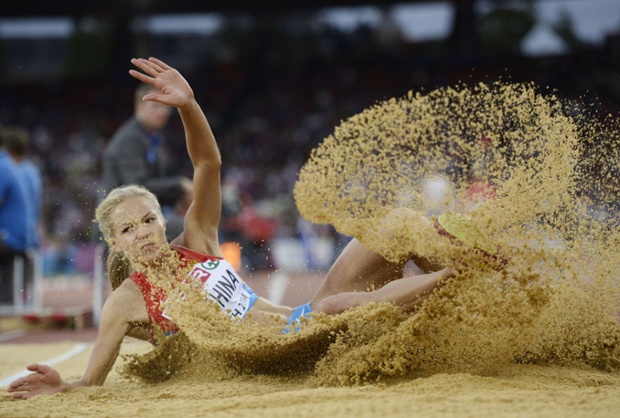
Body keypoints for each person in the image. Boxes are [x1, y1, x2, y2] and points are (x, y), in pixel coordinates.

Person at [7, 57, 452, 400]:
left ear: (164, 221)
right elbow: (91, 381)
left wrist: (189, 106)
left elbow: (207, 164)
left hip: (299, 327)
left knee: (392, 226)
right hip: (274, 358)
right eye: (127, 230)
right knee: (336, 308)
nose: (142, 233)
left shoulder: (197, 239)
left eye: (148, 220)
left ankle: (484, 289)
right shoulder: (124, 303)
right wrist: (64, 386)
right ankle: (456, 281)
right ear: (114, 242)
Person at [101, 79, 193, 240]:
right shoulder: (130, 140)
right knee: (191, 227)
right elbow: (137, 186)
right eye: (155, 106)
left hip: (139, 216)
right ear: (139, 107)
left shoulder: (150, 137)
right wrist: (180, 186)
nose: (162, 111)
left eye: (165, 106)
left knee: (194, 223)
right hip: (121, 223)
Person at [3, 126, 43, 302]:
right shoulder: (30, 170)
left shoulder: (5, 165)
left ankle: (10, 300)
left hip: (13, 238)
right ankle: (11, 299)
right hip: (28, 236)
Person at [0, 128, 29, 306]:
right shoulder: (9, 164)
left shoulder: (2, 166)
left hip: (11, 238)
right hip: (17, 236)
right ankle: (7, 301)